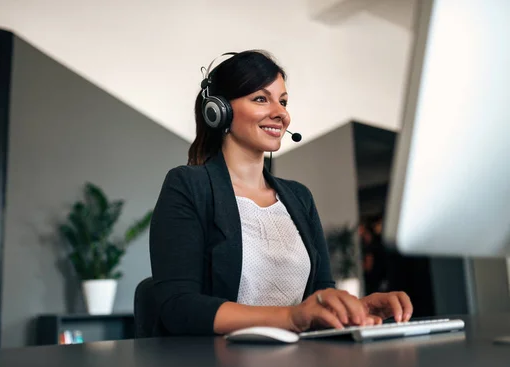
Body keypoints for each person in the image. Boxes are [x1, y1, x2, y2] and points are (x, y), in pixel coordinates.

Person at [149, 50, 413, 336]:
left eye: (283, 101)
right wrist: (290, 317)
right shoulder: (188, 185)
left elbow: (320, 296)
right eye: (261, 99)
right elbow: (179, 306)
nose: (281, 113)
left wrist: (356, 309)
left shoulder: (299, 197)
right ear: (218, 109)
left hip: (301, 362)